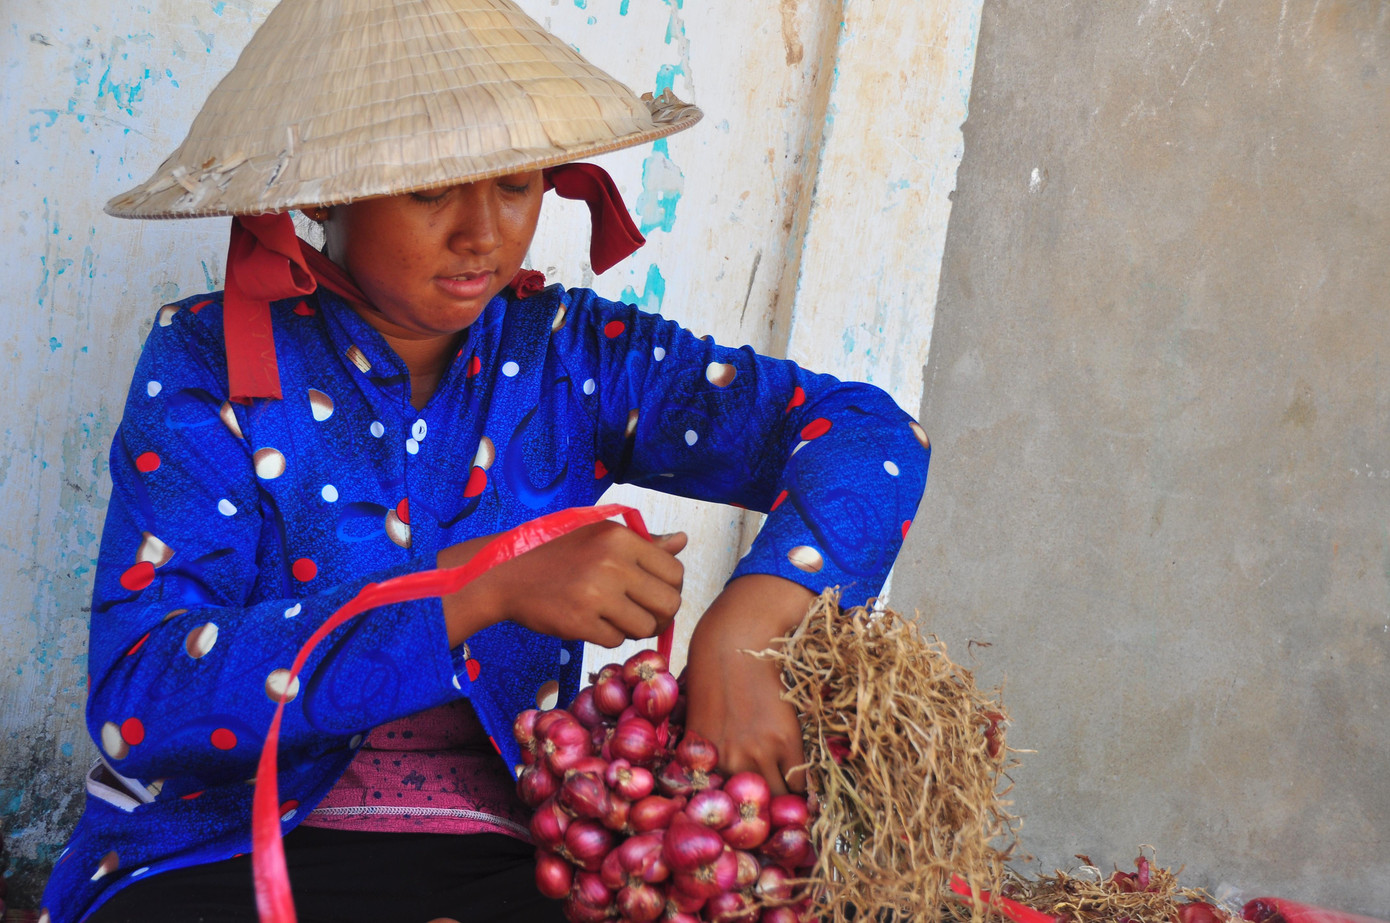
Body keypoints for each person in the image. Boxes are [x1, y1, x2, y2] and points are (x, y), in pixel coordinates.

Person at [39, 0, 930, 921]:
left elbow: (872, 435)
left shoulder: (575, 356)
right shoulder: (208, 360)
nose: (483, 234)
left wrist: (747, 631)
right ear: (321, 194)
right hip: (221, 852)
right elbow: (140, 694)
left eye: (515, 186)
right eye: (431, 191)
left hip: (514, 861)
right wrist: (480, 589)